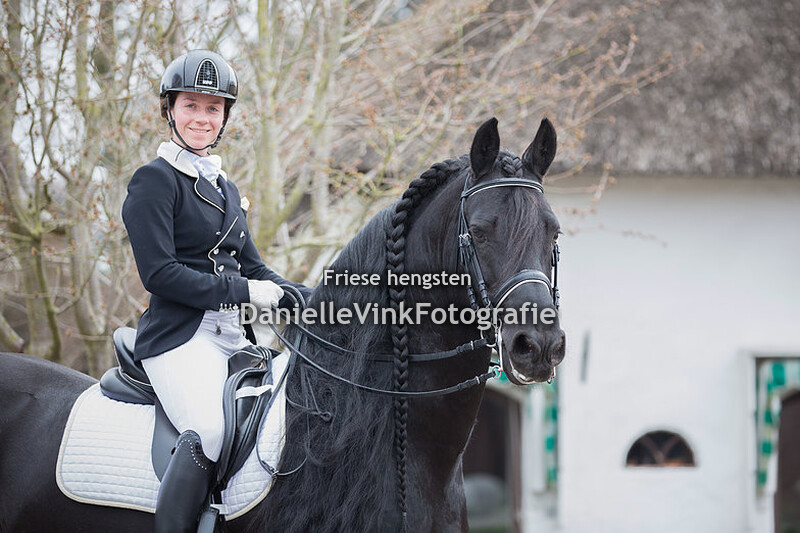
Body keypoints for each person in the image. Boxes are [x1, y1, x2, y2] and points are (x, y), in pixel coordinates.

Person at [122, 49, 310, 533]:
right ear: (170, 110)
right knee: (207, 431)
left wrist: (304, 295)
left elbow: (255, 267)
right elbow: (159, 275)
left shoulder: (225, 187)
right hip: (178, 338)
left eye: (212, 108)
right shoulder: (154, 181)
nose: (202, 118)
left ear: (224, 116)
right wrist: (245, 292)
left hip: (234, 339)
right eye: (191, 105)